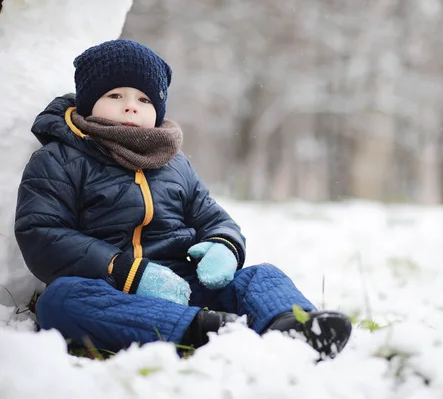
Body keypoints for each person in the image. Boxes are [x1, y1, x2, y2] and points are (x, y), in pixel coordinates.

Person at [14, 39, 352, 358]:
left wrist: (224, 245)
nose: (131, 106)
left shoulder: (174, 163)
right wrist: (126, 271)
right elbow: (42, 233)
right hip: (112, 287)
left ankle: (295, 329)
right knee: (60, 301)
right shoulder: (60, 159)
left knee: (259, 276)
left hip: (184, 285)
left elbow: (212, 216)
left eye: (145, 99)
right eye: (116, 95)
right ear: (88, 102)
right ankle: (201, 331)